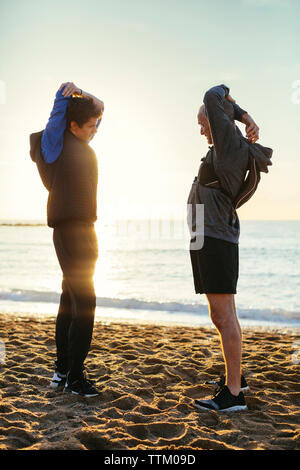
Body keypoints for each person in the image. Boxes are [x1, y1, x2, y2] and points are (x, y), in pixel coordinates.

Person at [29, 82, 104, 397]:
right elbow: (55, 117)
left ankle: (62, 372)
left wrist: (83, 92)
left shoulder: (83, 142)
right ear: (72, 125)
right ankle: (75, 376)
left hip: (86, 228)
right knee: (85, 303)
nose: (96, 130)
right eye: (91, 126)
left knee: (70, 302)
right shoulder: (54, 147)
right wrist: (64, 95)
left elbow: (99, 107)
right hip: (68, 229)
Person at [189, 84, 260, 412]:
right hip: (209, 237)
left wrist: (244, 116)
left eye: (204, 121)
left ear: (218, 120)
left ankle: (233, 395)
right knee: (223, 313)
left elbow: (214, 93)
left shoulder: (229, 145)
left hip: (217, 237)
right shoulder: (223, 148)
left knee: (222, 314)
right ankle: (236, 378)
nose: (201, 126)